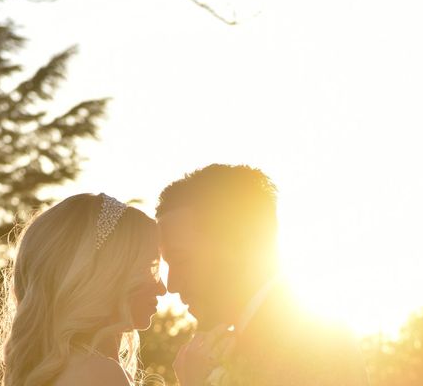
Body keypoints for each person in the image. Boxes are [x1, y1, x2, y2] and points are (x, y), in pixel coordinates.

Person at [157, 164, 370, 386]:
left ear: (240, 244)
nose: (171, 285)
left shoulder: (319, 342)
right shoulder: (242, 340)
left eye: (181, 260)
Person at [0, 193, 166, 386]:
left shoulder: (63, 370)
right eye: (148, 268)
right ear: (106, 275)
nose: (162, 288)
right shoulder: (98, 375)